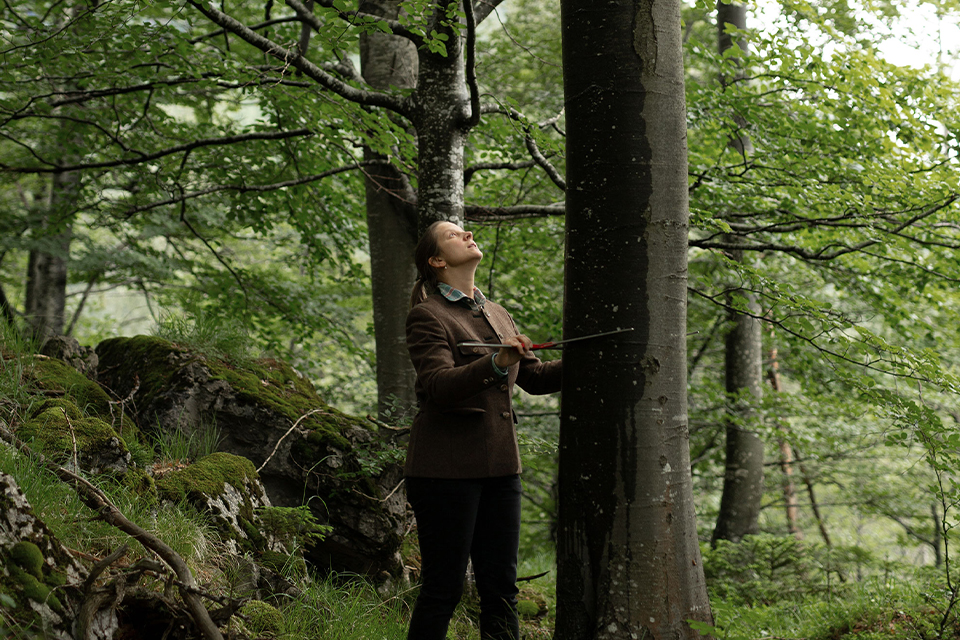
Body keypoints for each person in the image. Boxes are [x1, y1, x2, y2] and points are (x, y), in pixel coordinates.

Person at [404, 220, 562, 640]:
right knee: (444, 588)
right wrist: (496, 363)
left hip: (502, 470)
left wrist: (590, 360)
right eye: (455, 235)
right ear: (437, 260)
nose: (468, 235)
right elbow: (438, 386)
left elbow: (536, 377)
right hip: (444, 471)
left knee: (501, 589)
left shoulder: (496, 313)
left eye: (466, 232)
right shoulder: (427, 315)